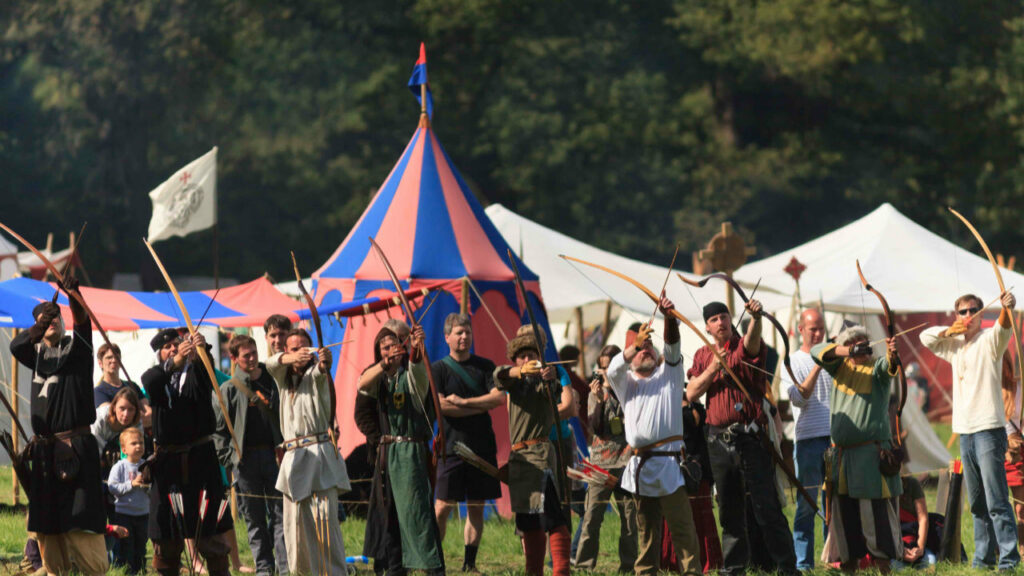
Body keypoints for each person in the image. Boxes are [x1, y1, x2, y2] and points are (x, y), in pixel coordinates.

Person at [686, 300, 797, 576]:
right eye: (714, 319)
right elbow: (691, 393)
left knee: (765, 506)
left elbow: (753, 341)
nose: (721, 322)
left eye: (724, 316)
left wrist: (756, 318)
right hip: (716, 440)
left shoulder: (744, 345)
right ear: (707, 326)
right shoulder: (702, 354)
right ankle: (733, 568)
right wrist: (714, 367)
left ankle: (786, 567)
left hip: (749, 438)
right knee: (728, 509)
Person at [10, 278, 109, 576]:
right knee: (49, 535)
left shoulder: (78, 351)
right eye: (44, 319)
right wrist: (41, 325)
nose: (52, 322)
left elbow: (82, 323)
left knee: (81, 528)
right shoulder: (36, 355)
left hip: (76, 452)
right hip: (44, 457)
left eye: (56, 317)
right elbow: (17, 345)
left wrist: (73, 295)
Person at [920, 292, 1021, 570]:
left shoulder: (990, 340)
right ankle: (983, 559)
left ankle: (1009, 561)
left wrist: (1005, 307)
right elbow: (925, 338)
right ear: (957, 316)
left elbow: (1004, 326)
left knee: (996, 500)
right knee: (977, 503)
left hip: (989, 429)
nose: (968, 316)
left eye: (973, 310)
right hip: (965, 432)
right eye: (962, 312)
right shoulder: (953, 345)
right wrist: (948, 330)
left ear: (981, 313)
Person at [606, 297, 700, 576]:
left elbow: (672, 346)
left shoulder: (668, 374)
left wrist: (668, 317)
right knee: (646, 535)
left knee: (684, 533)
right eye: (639, 348)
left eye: (648, 346)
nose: (644, 350)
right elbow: (612, 368)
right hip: (640, 468)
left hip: (670, 466)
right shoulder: (627, 383)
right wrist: (635, 343)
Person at [812, 324, 903, 572]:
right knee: (843, 518)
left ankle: (884, 567)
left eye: (865, 343)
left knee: (875, 515)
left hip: (869, 457)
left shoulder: (876, 370)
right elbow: (816, 351)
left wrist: (892, 354)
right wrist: (847, 351)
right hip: (841, 457)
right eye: (856, 344)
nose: (863, 347)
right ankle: (849, 566)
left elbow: (890, 366)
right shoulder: (838, 368)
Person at [142, 328, 233, 576]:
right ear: (160, 355)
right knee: (166, 538)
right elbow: (149, 381)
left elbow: (206, 374)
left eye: (176, 344)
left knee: (211, 535)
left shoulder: (196, 372)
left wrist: (201, 350)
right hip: (167, 465)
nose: (173, 348)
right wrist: (175, 361)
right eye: (167, 347)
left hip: (201, 461)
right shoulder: (158, 376)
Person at [357, 323, 445, 575]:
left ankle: (433, 570)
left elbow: (418, 372)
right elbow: (362, 385)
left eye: (396, 344)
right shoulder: (377, 377)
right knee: (389, 523)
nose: (391, 350)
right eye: (384, 347)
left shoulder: (413, 374)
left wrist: (418, 349)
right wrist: (379, 440)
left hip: (410, 458)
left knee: (418, 518)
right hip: (385, 458)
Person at [266, 328, 351, 575]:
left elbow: (322, 371)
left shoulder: (316, 374)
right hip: (293, 461)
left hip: (319, 458)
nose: (302, 353)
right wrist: (291, 357)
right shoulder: (283, 379)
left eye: (306, 347)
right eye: (295, 348)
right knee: (295, 530)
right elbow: (271, 362)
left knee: (325, 526)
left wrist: (324, 362)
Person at [493, 325, 571, 576]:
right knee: (528, 522)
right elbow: (498, 375)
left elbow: (552, 396)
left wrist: (549, 380)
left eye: (531, 355)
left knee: (553, 517)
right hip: (520, 461)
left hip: (539, 458)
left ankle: (561, 571)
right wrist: (520, 371)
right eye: (522, 356)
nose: (527, 360)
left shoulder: (546, 382)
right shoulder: (514, 382)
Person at [431, 313, 503, 573]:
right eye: (459, 333)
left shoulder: (486, 366)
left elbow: (497, 399)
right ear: (447, 336)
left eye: (467, 332)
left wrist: (462, 403)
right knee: (441, 507)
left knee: (476, 505)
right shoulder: (438, 369)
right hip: (450, 448)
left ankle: (469, 564)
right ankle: (436, 563)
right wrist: (477, 405)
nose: (464, 337)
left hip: (481, 445)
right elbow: (441, 406)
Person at [213, 334, 287, 576]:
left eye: (254, 353)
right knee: (253, 518)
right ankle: (264, 568)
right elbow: (219, 432)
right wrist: (231, 460)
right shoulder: (228, 390)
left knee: (280, 513)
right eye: (246, 356)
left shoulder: (272, 382)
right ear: (234, 359)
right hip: (244, 461)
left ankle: (285, 567)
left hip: (272, 455)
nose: (253, 359)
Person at [574, 344, 639, 573]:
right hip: (600, 463)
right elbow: (595, 428)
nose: (603, 373)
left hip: (627, 461)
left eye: (608, 367)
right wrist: (600, 401)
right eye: (601, 368)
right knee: (592, 517)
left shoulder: (631, 389)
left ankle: (628, 566)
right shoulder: (595, 394)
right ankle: (583, 566)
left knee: (630, 520)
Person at [782, 308, 832, 570]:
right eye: (813, 328)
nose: (818, 333)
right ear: (800, 330)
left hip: (834, 440)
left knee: (833, 504)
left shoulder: (833, 358)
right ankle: (803, 564)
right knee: (807, 505)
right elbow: (800, 398)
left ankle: (833, 559)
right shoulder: (793, 361)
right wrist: (818, 363)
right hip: (808, 441)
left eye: (821, 327)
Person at [108, 427, 150, 574]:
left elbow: (152, 489)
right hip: (124, 514)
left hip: (143, 514)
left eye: (141, 443)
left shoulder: (146, 465)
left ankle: (140, 570)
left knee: (141, 546)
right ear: (124, 449)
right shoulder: (120, 467)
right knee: (125, 546)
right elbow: (112, 487)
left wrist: (147, 487)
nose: (139, 446)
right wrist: (131, 484)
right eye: (134, 443)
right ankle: (125, 571)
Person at [93, 343, 152, 427]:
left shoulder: (133, 385)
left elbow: (148, 412)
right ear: (100, 363)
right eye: (109, 357)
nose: (114, 360)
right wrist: (138, 416)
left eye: (117, 357)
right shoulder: (98, 392)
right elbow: (113, 418)